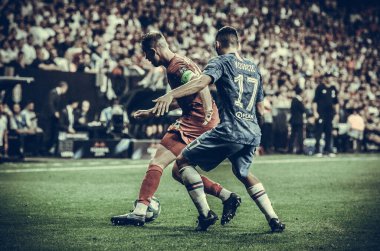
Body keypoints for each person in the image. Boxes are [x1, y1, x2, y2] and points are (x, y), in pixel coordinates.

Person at [152, 26, 285, 232]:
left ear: (217, 45)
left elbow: (200, 83)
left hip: (230, 130)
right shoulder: (254, 68)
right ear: (238, 44)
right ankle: (274, 219)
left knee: (182, 163)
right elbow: (261, 107)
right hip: (252, 131)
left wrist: (172, 94)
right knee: (243, 173)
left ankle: (205, 214)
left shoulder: (220, 61)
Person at [111, 32, 240, 227]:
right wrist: (151, 112)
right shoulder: (178, 63)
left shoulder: (177, 67)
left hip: (196, 120)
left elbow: (201, 85)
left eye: (147, 54)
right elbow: (185, 96)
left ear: (154, 50)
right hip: (201, 118)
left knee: (158, 161)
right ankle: (224, 198)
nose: (146, 58)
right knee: (179, 170)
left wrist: (205, 109)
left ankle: (140, 210)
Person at [313, 74, 339, 157]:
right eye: (328, 77)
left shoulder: (333, 89)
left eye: (331, 77)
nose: (330, 79)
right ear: (325, 78)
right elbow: (315, 101)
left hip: (330, 114)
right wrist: (315, 112)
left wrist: (337, 113)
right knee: (319, 133)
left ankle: (328, 150)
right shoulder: (320, 88)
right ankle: (317, 150)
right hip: (321, 113)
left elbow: (336, 102)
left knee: (329, 132)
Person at [45, 81, 68, 154]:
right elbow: (50, 103)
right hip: (49, 117)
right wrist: (54, 112)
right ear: (64, 87)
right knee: (48, 133)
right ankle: (44, 150)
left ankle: (49, 149)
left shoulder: (58, 94)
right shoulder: (53, 92)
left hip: (53, 118)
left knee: (53, 133)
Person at [288, 85, 306, 154]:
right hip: (298, 121)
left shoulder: (293, 100)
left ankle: (290, 149)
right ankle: (300, 149)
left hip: (294, 120)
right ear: (301, 93)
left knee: (293, 135)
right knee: (300, 136)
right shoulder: (298, 100)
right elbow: (303, 110)